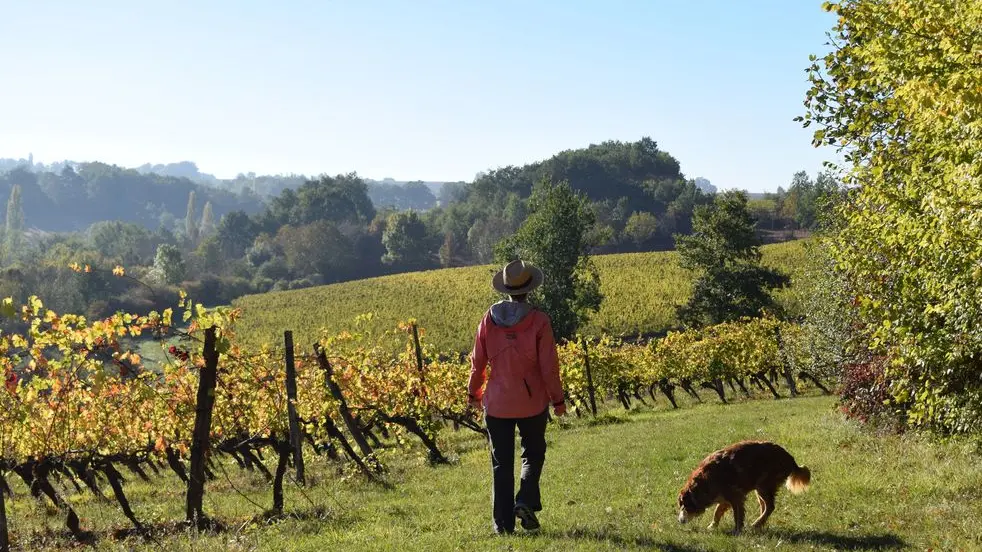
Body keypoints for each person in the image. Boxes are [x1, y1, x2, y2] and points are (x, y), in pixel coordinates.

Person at [467, 259, 567, 535]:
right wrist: (558, 401)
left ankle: (503, 526)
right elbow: (549, 367)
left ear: (506, 289)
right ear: (529, 289)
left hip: (497, 404)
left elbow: (478, 362)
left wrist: (473, 394)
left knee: (501, 463)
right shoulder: (539, 321)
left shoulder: (488, 318)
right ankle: (524, 500)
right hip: (532, 401)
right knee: (533, 453)